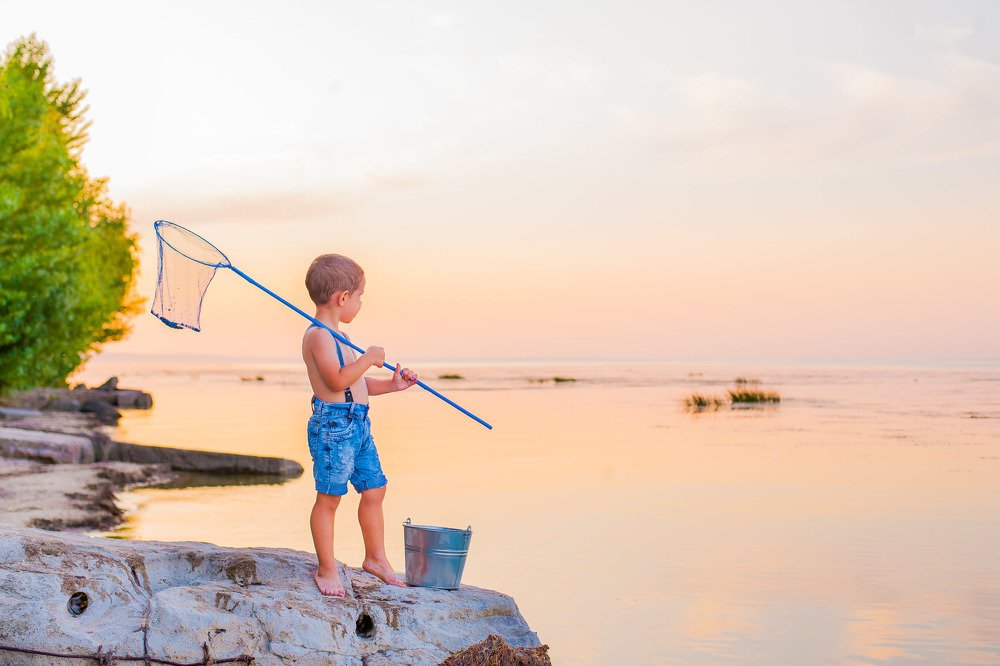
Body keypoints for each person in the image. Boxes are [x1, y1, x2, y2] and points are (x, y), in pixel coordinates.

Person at [301, 253, 419, 596]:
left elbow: (357, 387)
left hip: (358, 425)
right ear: (342, 298)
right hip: (333, 429)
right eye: (359, 296)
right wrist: (368, 358)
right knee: (330, 498)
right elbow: (337, 382)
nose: (360, 303)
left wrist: (394, 385)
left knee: (374, 489)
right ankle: (326, 568)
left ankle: (376, 558)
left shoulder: (340, 337)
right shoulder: (318, 337)